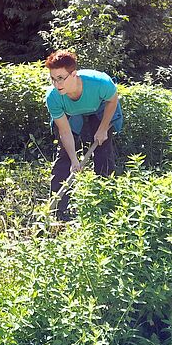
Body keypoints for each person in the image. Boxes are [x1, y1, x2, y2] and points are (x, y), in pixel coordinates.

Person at [44, 50, 123, 220]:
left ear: (73, 74)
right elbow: (65, 131)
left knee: (103, 151)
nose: (57, 84)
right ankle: (58, 211)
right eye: (53, 79)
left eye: (61, 78)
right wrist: (74, 160)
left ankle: (104, 206)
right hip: (73, 113)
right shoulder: (53, 97)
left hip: (100, 108)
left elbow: (113, 100)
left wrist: (102, 128)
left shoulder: (99, 82)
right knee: (64, 156)